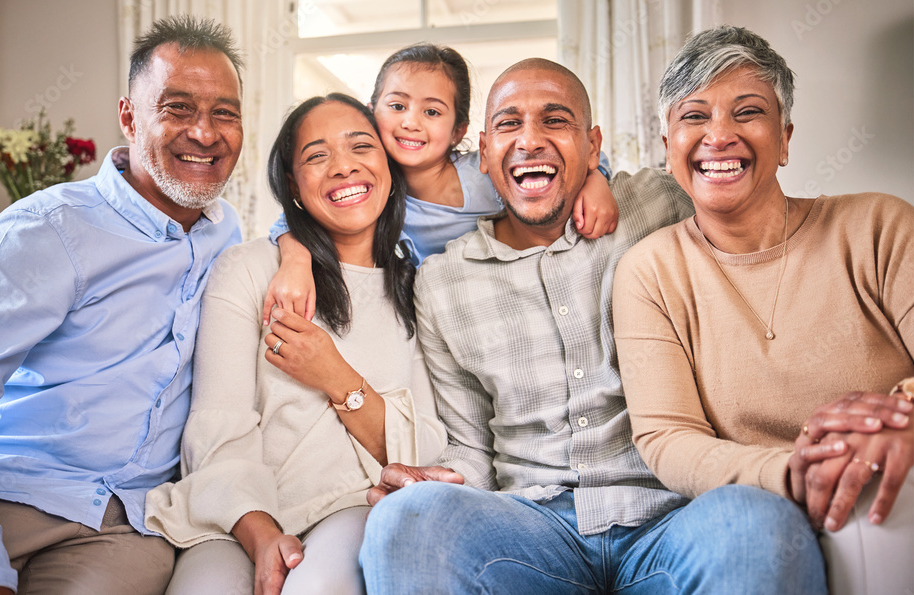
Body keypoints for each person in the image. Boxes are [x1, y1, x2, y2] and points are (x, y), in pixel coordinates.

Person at [358, 58, 827, 594]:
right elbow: (471, 446)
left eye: (555, 121)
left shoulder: (659, 203)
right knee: (404, 522)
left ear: (592, 145)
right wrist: (429, 482)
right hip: (532, 527)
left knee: (759, 523)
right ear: (485, 152)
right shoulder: (441, 282)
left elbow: (745, 199)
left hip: (675, 513)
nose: (530, 140)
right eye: (510, 124)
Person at [0, 16, 243, 595]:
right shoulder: (46, 229)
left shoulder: (229, 234)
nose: (205, 133)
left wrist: (294, 250)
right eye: (177, 108)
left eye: (225, 113)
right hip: (4, 495)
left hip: (127, 529)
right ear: (128, 116)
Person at [612, 25, 913, 594]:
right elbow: (668, 438)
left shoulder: (880, 227)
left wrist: (905, 423)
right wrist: (792, 473)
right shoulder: (649, 270)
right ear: (666, 145)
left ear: (785, 139)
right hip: (753, 518)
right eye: (694, 116)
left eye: (747, 112)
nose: (718, 135)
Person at [144, 93, 446, 595]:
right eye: (316, 156)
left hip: (351, 505)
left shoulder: (418, 287)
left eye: (361, 147)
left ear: (389, 167)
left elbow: (420, 444)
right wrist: (262, 535)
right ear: (293, 186)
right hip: (235, 512)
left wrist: (334, 375)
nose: (343, 167)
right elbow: (219, 427)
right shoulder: (248, 269)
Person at [263, 43, 619, 322]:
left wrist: (597, 181)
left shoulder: (485, 174)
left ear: (458, 131)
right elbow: (298, 216)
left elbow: (571, 162)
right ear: (373, 112)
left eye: (431, 112)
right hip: (445, 310)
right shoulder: (374, 195)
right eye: (397, 106)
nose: (411, 123)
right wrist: (294, 261)